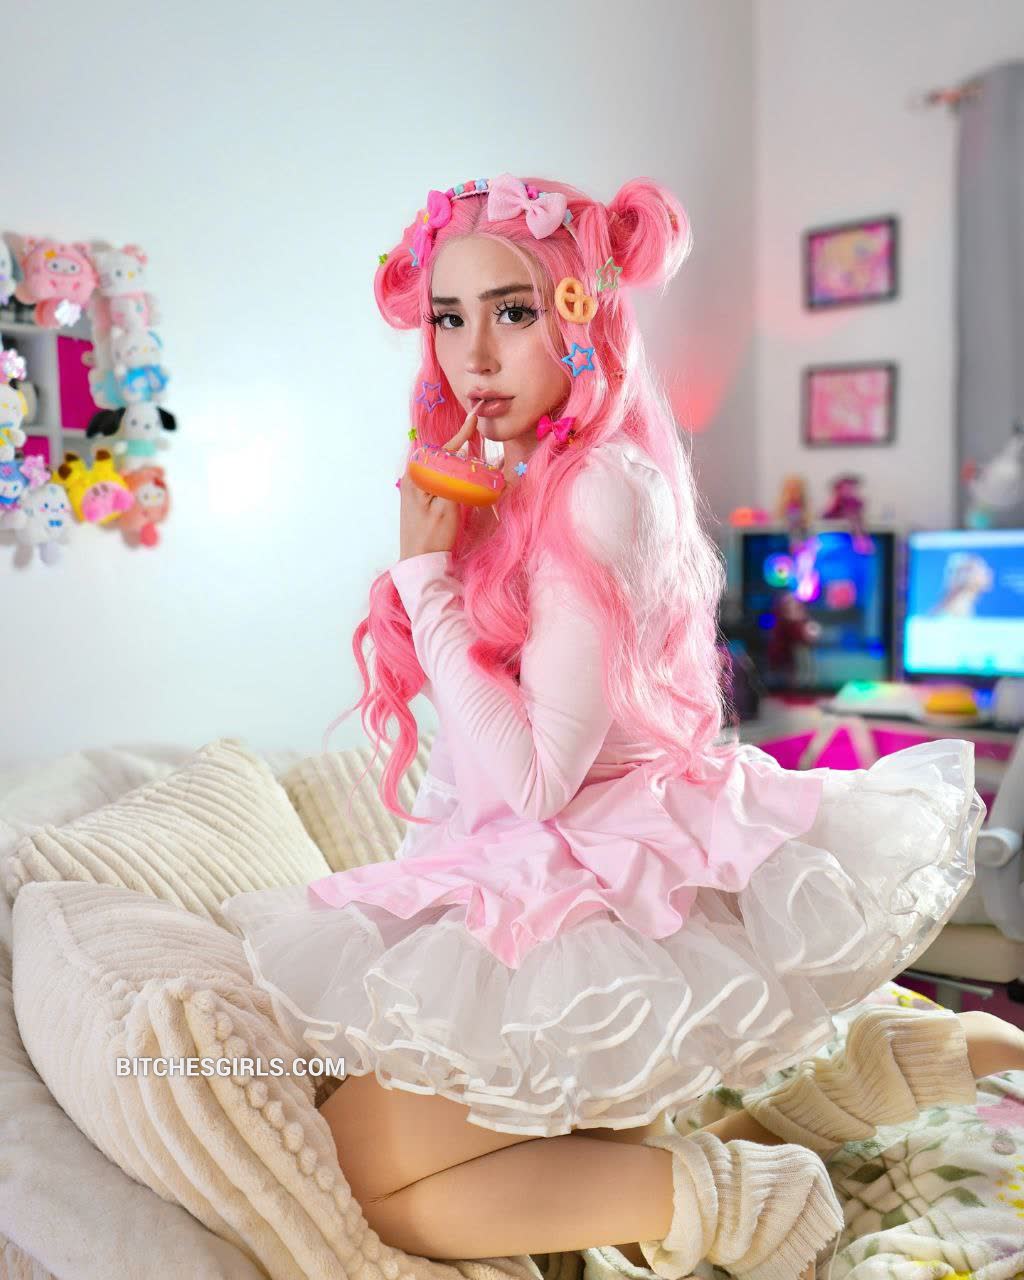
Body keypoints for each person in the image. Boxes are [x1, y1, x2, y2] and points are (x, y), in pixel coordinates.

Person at [221, 173, 1023, 1279]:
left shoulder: (596, 486)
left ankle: (757, 1199)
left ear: (582, 316)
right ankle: (852, 1088)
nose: (473, 356)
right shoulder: (524, 480)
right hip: (562, 888)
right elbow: (470, 780)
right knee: (492, 1158)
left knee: (358, 1178)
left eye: (511, 311)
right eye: (448, 318)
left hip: (602, 891)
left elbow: (539, 778)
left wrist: (425, 580)